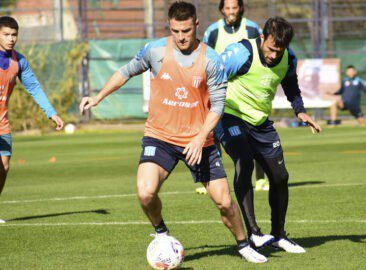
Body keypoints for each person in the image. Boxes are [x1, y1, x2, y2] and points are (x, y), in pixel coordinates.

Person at [80, 1, 267, 264]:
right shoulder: (155, 51)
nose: (180, 37)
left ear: (196, 25)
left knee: (224, 202)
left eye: (186, 31)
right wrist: (98, 97)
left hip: (199, 140)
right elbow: (125, 72)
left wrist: (201, 137)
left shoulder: (211, 59)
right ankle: (161, 233)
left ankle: (243, 243)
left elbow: (218, 106)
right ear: (169, 26)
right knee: (145, 192)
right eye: (175, 31)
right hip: (161, 137)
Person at [215, 16, 322, 252]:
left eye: (279, 50)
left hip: (260, 123)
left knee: (280, 176)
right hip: (230, 116)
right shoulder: (241, 53)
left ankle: (279, 235)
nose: (274, 55)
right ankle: (253, 233)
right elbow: (212, 76)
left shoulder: (289, 58)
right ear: (262, 37)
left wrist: (300, 111)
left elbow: (291, 84)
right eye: (271, 48)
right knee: (244, 161)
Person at [197, 0, 268, 195]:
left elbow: (263, 53)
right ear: (221, 10)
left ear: (240, 9)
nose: (231, 11)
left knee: (253, 134)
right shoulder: (213, 31)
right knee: (211, 134)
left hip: (246, 92)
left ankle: (261, 179)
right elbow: (204, 56)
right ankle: (211, 178)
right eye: (227, 8)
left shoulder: (252, 28)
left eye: (234, 8)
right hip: (219, 90)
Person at [0, 16, 63, 223]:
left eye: (14, 35)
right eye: (6, 34)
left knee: (4, 167)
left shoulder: (20, 61)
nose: (11, 39)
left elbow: (34, 88)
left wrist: (51, 113)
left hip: (2, 123)